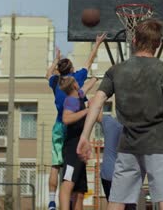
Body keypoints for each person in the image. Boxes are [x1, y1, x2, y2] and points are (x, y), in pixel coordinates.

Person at [76, 18, 163, 210]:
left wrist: (85, 136)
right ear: (157, 44)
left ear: (133, 41)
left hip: (128, 146)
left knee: (116, 202)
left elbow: (97, 101)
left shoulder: (115, 71)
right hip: (160, 146)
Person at [45, 33, 106, 210]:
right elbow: (88, 62)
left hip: (63, 131)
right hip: (70, 136)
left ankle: (51, 200)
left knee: (60, 169)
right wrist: (96, 45)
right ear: (73, 79)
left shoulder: (57, 83)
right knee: (68, 182)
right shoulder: (74, 88)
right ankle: (54, 203)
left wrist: (55, 61)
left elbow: (49, 74)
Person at [59, 76, 101, 210]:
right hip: (72, 148)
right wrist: (87, 111)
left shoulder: (79, 96)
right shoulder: (71, 101)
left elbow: (87, 86)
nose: (80, 84)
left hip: (81, 148)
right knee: (68, 184)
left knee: (79, 191)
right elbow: (66, 119)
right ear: (75, 86)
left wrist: (96, 78)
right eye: (77, 82)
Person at [99, 115, 136, 210]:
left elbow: (94, 108)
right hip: (123, 174)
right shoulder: (133, 126)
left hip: (106, 174)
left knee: (112, 204)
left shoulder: (108, 121)